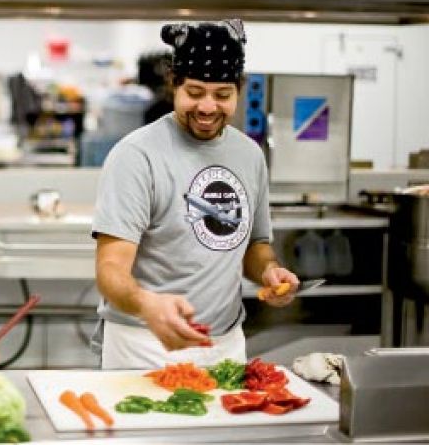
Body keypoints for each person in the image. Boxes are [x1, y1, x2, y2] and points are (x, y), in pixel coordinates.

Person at [91, 19, 299, 369]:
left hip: (225, 345)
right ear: (173, 84)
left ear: (239, 90)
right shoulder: (137, 155)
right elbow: (110, 269)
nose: (207, 107)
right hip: (145, 345)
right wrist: (147, 304)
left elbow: (254, 245)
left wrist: (269, 271)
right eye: (195, 92)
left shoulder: (249, 155)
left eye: (222, 95)